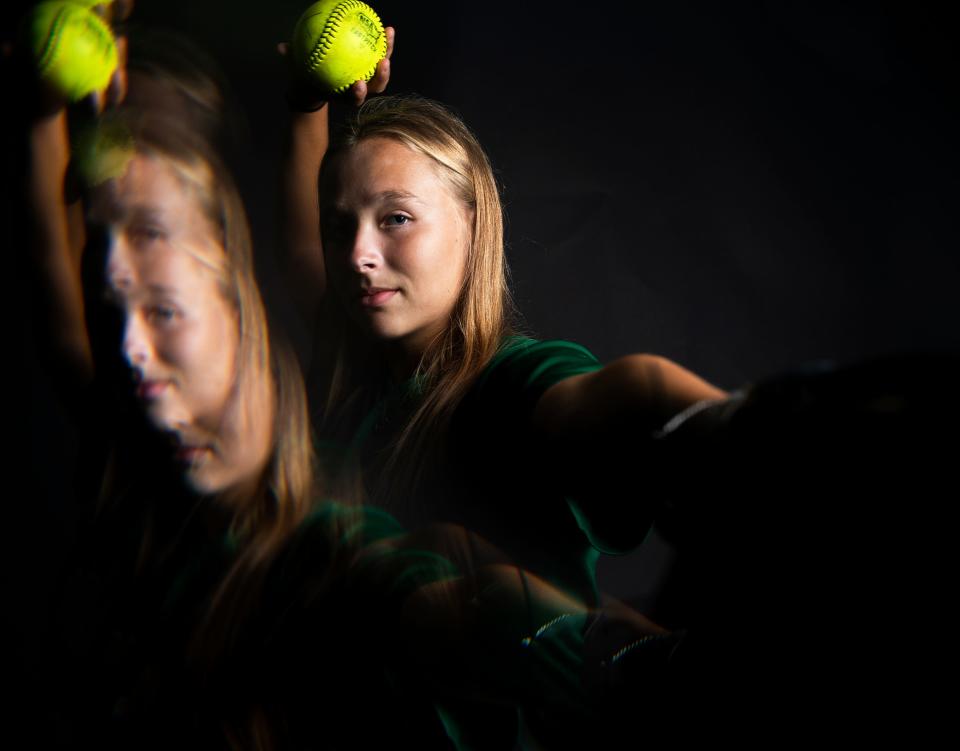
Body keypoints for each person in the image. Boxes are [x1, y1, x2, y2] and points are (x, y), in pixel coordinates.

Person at [17, 17, 672, 748]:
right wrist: (308, 105)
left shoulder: (512, 382)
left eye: (397, 218)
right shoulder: (332, 387)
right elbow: (86, 319)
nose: (360, 254)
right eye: (345, 230)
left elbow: (624, 401)